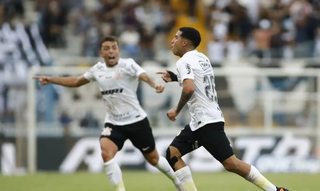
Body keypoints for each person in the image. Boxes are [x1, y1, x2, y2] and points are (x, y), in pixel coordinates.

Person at [33, 36, 184, 191]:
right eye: (107, 48)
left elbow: (144, 76)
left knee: (154, 159)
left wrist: (155, 84)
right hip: (114, 122)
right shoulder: (97, 70)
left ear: (118, 50)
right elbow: (77, 81)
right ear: (101, 53)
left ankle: (177, 181)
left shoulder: (128, 65)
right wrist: (52, 80)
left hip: (136, 121)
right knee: (106, 153)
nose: (111, 51)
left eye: (114, 47)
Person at [157, 27, 289, 191]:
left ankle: (275, 190)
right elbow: (198, 83)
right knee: (173, 153)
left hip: (205, 121)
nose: (172, 40)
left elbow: (189, 88)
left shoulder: (183, 61)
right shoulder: (202, 58)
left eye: (176, 37)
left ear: (184, 43)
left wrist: (176, 110)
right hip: (203, 120)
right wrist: (177, 78)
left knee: (231, 163)